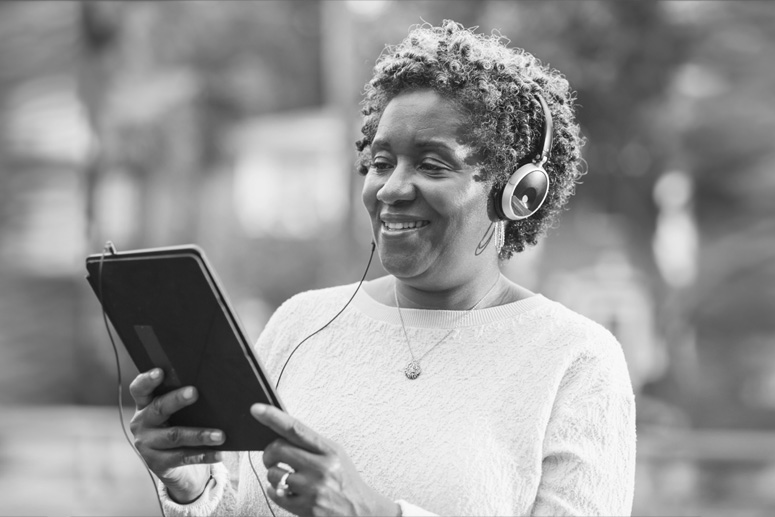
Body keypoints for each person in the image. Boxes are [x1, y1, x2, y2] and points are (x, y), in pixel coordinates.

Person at [128, 20, 636, 516]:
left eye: (432, 164)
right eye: (381, 162)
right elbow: (245, 504)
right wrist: (195, 489)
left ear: (518, 194)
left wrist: (369, 511)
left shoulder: (575, 360)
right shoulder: (300, 323)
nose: (391, 189)